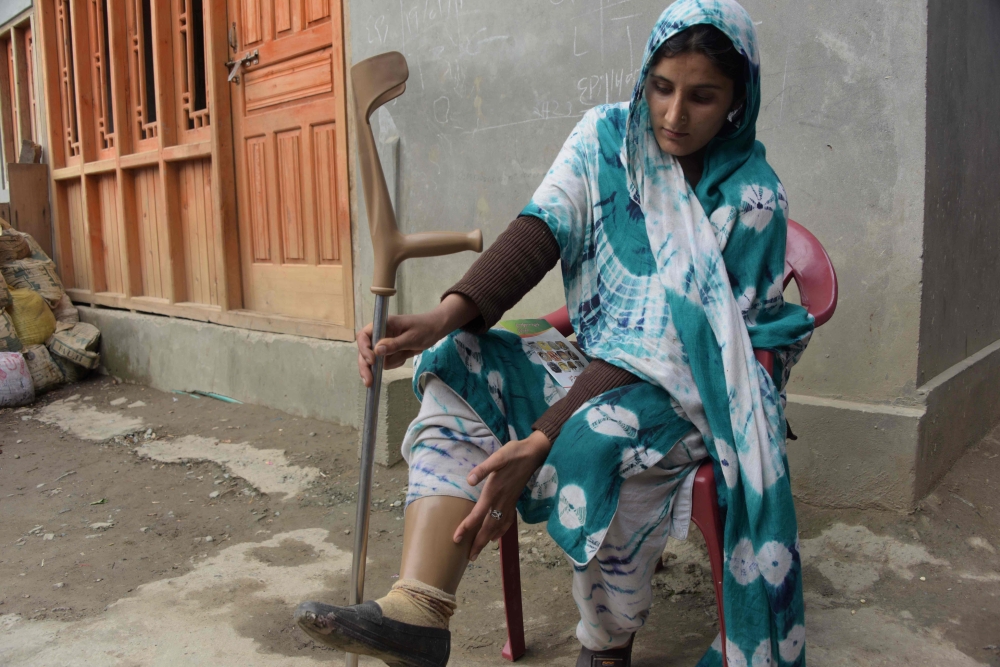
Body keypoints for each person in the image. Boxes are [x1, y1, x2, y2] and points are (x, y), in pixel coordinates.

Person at [296, 1, 813, 665]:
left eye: (702, 97)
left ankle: (607, 640)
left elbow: (668, 349)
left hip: (694, 395)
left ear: (738, 101)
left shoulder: (751, 199)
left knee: (594, 444)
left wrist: (544, 434)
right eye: (661, 87)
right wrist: (444, 314)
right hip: (600, 367)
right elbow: (540, 229)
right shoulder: (607, 138)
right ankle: (419, 610)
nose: (674, 116)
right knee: (457, 357)